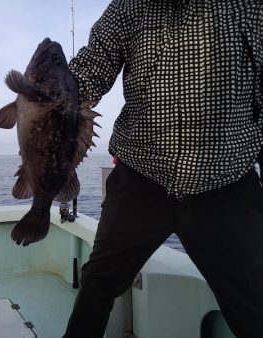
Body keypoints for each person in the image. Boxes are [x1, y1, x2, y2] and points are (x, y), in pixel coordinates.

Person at [63, 0, 263, 337]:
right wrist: (52, 93)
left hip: (227, 181)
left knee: (254, 304)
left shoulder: (249, 7)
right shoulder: (129, 7)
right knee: (97, 284)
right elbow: (90, 70)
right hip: (140, 177)